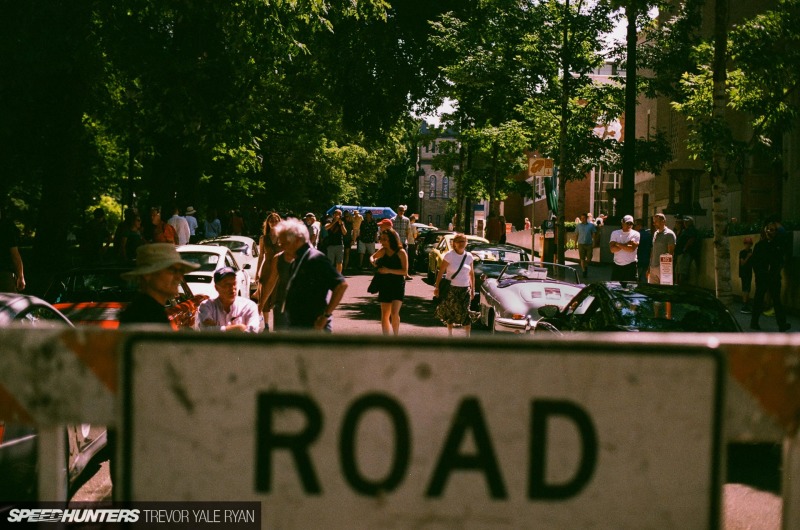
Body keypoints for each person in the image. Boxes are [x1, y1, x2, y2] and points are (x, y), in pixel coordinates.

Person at [276, 218, 348, 331]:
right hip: (299, 325)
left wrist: (325, 316)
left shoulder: (315, 258)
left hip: (314, 327)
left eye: (284, 243)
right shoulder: (298, 259)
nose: (281, 247)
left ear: (298, 240)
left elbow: (341, 285)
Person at [119, 243, 199, 325]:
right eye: (172, 270)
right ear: (147, 275)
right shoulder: (146, 315)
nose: (179, 277)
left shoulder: (147, 310)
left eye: (180, 271)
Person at [433, 233, 478, 337]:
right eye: (459, 241)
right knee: (450, 312)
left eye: (464, 241)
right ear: (454, 244)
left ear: (466, 243)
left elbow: (471, 274)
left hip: (465, 288)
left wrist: (472, 289)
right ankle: (450, 334)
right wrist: (437, 287)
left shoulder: (469, 256)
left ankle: (467, 336)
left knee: (466, 312)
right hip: (451, 288)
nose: (462, 244)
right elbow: (441, 272)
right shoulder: (449, 255)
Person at [750, 222, 790, 331]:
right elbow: (754, 261)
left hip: (773, 277)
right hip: (763, 277)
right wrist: (759, 273)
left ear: (776, 232)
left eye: (772, 230)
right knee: (758, 299)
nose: (769, 232)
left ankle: (782, 324)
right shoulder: (760, 245)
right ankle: (754, 322)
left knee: (777, 301)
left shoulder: (778, 245)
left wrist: (776, 272)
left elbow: (780, 261)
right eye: (768, 229)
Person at [369, 228, 408, 335]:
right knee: (385, 315)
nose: (383, 242)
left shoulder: (401, 252)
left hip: (397, 284)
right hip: (385, 284)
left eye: (385, 239)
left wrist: (388, 270)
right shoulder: (383, 251)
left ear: (392, 239)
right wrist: (373, 262)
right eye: (381, 239)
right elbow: (372, 256)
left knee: (395, 313)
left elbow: (404, 271)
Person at [198, 267, 262, 332]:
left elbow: (253, 331)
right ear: (216, 287)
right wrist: (238, 328)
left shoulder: (249, 306)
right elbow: (207, 331)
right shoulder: (207, 306)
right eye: (227, 284)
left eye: (234, 283)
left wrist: (218, 329)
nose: (232, 288)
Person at [256, 212, 281, 330]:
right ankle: (266, 325)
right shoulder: (263, 238)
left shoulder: (283, 236)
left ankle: (277, 325)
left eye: (276, 221)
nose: (274, 223)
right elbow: (261, 256)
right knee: (264, 298)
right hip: (266, 268)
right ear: (268, 223)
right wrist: (257, 272)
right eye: (271, 221)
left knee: (278, 297)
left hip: (280, 270)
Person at [0, 208, 25, 292]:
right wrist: (21, 277)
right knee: (11, 303)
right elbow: (15, 256)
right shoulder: (6, 229)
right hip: (4, 274)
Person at [609, 214, 640, 281]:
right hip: (617, 266)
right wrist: (626, 244)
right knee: (615, 288)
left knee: (631, 288)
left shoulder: (636, 234)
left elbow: (631, 249)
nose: (629, 225)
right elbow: (612, 249)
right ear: (622, 223)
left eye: (631, 224)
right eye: (627, 223)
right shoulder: (615, 233)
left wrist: (617, 244)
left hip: (630, 266)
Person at [649, 213, 676, 285]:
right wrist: (649, 267)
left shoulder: (669, 234)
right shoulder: (655, 233)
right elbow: (653, 250)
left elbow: (671, 253)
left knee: (664, 291)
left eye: (656, 222)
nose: (654, 224)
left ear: (663, 221)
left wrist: (665, 270)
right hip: (653, 267)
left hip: (663, 268)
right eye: (653, 222)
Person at [675, 216, 699, 285]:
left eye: (687, 221)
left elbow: (691, 239)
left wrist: (685, 248)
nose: (685, 223)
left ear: (691, 222)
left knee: (682, 271)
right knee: (679, 271)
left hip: (685, 254)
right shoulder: (685, 230)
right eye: (684, 221)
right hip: (681, 253)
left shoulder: (691, 230)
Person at [575, 212, 597, 278]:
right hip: (581, 244)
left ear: (586, 218)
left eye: (584, 218)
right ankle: (584, 271)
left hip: (589, 244)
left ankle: (586, 266)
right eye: (581, 218)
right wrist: (575, 243)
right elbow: (576, 235)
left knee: (589, 259)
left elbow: (594, 234)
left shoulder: (591, 225)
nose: (582, 219)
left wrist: (594, 242)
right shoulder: (578, 226)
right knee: (582, 259)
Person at [324, 209, 347, 273]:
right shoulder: (329, 220)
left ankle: (338, 276)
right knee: (330, 262)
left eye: (340, 214)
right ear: (334, 215)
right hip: (331, 244)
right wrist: (334, 222)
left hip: (339, 244)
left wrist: (341, 224)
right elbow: (326, 227)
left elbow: (345, 233)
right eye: (338, 214)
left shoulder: (342, 222)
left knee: (339, 262)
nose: (339, 216)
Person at [634, 218, 653, 283]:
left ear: (639, 225)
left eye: (635, 225)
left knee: (637, 280)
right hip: (646, 260)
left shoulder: (636, 235)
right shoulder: (649, 235)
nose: (634, 227)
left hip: (638, 260)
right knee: (644, 279)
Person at [739, 236, 754, 313]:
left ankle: (745, 304)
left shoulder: (751, 252)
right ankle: (744, 306)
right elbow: (742, 263)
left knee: (747, 288)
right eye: (746, 243)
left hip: (749, 272)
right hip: (744, 273)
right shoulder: (742, 252)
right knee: (746, 289)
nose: (748, 245)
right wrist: (748, 257)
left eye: (749, 243)